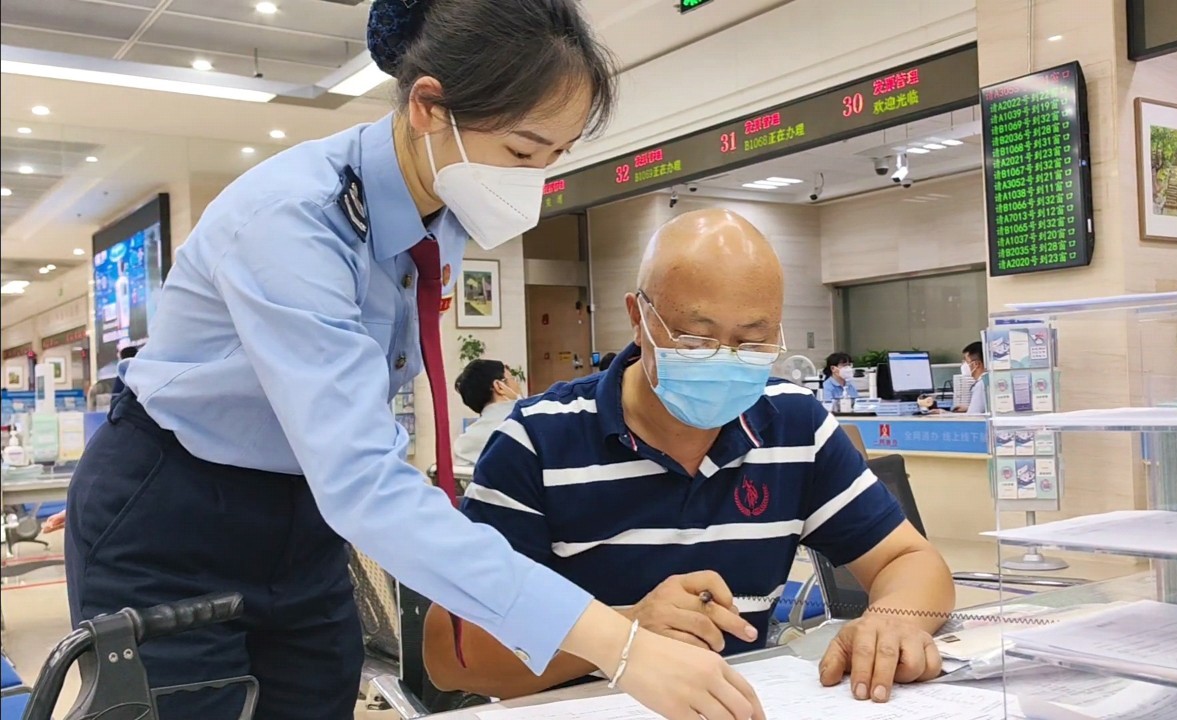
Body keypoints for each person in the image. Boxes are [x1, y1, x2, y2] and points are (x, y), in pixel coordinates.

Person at [63, 3, 764, 720]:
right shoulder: (293, 221)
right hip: (177, 507)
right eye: (523, 152)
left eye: (556, 156)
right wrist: (620, 646)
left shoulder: (440, 205)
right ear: (429, 106)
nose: (535, 179)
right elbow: (363, 480)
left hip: (304, 513)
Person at [423, 210, 956, 703]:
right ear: (638, 318)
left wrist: (893, 620)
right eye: (696, 341)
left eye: (752, 342)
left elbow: (910, 560)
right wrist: (625, 633)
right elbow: (452, 655)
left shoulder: (795, 425)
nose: (725, 360)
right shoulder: (538, 440)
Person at [454, 359, 523, 465]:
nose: (517, 385)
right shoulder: (528, 423)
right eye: (512, 379)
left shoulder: (463, 443)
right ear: (499, 386)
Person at [950, 341, 987, 414]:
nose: (963, 365)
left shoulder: (980, 385)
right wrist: (968, 408)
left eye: (966, 361)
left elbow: (973, 417)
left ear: (976, 364)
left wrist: (945, 414)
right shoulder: (986, 381)